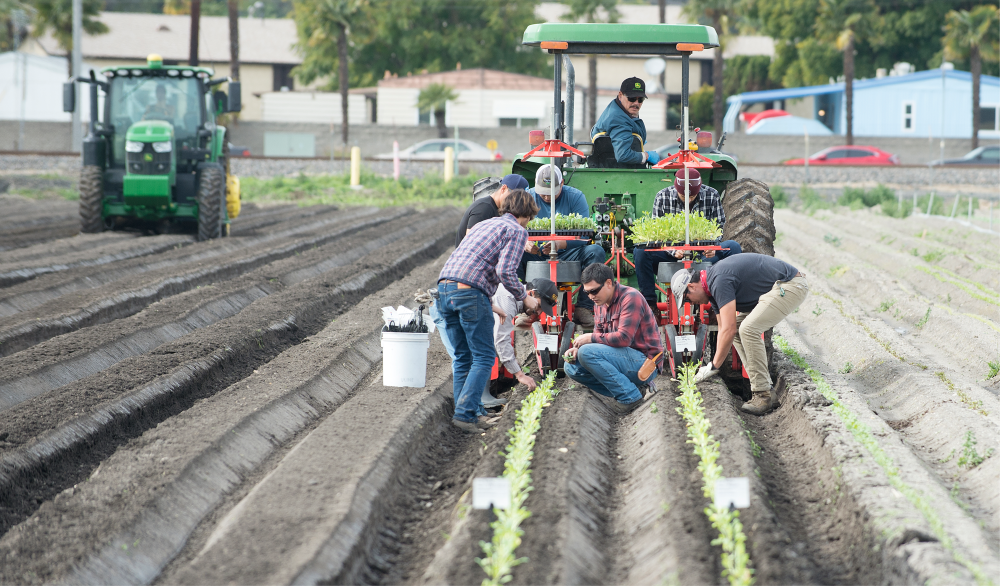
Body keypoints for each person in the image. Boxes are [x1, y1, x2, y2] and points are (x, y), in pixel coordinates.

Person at [438, 189, 541, 433]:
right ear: (526, 214)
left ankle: (468, 413)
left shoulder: (488, 223)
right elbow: (506, 271)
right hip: (470, 292)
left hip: (444, 289)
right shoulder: (517, 230)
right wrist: (524, 297)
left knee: (464, 357)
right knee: (484, 356)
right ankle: (465, 414)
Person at [672, 253, 809, 415]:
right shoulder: (712, 289)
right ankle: (766, 389)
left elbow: (728, 329)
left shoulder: (718, 280)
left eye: (687, 299)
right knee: (739, 328)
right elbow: (725, 329)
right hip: (775, 289)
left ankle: (762, 394)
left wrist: (713, 366)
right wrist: (711, 365)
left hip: (790, 285)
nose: (690, 303)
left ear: (691, 287)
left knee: (748, 329)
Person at [633, 167, 742, 314]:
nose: (688, 199)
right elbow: (657, 233)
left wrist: (712, 246)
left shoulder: (712, 195)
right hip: (671, 253)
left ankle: (725, 303)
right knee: (640, 252)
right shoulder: (662, 196)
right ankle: (650, 304)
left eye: (693, 196)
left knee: (733, 247)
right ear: (676, 187)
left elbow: (719, 227)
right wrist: (672, 250)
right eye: (684, 196)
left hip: (703, 254)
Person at [564, 264, 664, 414]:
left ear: (609, 283)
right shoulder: (600, 303)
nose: (591, 296)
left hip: (644, 362)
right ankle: (632, 388)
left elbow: (624, 339)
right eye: (587, 292)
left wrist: (589, 338)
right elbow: (598, 337)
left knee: (586, 353)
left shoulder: (631, 297)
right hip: (621, 359)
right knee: (571, 367)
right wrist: (577, 349)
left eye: (594, 291)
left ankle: (630, 397)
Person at [523, 165, 606, 329]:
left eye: (552, 192)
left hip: (568, 254)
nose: (547, 197)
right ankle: (525, 306)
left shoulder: (575, 197)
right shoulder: (527, 197)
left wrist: (561, 244)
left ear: (561, 184)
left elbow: (584, 235)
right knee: (514, 252)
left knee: (595, 251)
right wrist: (524, 242)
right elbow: (513, 228)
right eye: (543, 193)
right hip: (536, 254)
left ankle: (584, 307)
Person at [491, 278, 558, 397]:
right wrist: (519, 374)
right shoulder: (508, 299)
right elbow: (500, 340)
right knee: (483, 354)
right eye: (539, 306)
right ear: (530, 293)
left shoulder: (512, 296)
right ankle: (481, 398)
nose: (538, 313)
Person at [589, 77, 661, 169]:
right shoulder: (619, 119)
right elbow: (623, 155)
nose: (636, 103)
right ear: (620, 95)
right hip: (618, 171)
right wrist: (647, 156)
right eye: (632, 98)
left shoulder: (619, 109)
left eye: (640, 100)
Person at [455, 174, 530, 247]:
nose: (517, 203)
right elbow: (471, 243)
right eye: (516, 198)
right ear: (503, 189)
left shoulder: (501, 210)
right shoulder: (484, 208)